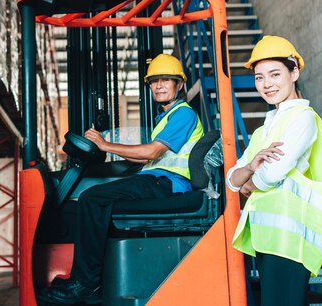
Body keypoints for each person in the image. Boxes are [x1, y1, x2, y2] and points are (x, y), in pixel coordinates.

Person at [41, 54, 203, 304]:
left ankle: (85, 284)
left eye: (166, 80)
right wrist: (105, 147)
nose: (159, 86)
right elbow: (146, 159)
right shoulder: (165, 119)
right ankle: (87, 280)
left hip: (168, 184)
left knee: (91, 198)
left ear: (179, 85)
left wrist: (105, 145)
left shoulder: (183, 114)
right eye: (154, 81)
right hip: (157, 179)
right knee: (97, 200)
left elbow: (151, 152)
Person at [226, 36, 322, 306]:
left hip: (291, 240)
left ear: (294, 72)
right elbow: (231, 178)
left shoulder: (303, 119)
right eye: (259, 77)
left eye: (275, 74)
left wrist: (249, 181)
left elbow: (271, 175)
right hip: (268, 239)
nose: (266, 85)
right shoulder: (264, 130)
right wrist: (251, 167)